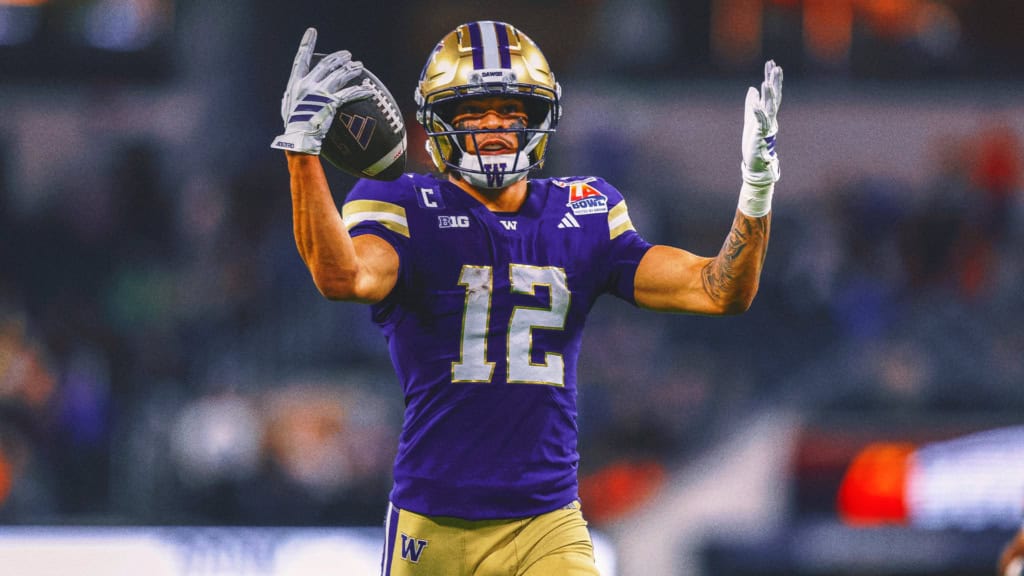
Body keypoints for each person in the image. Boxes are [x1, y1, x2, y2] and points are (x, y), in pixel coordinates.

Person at [271, 21, 782, 576]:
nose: (493, 125)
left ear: (538, 117)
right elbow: (342, 277)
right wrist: (303, 156)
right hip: (433, 520)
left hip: (546, 521)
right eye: (472, 110)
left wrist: (755, 192)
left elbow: (718, 290)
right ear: (440, 120)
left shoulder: (584, 209)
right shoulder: (402, 200)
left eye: (509, 109)